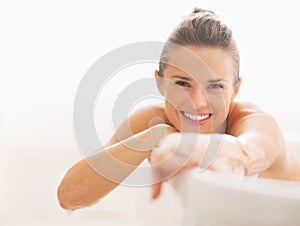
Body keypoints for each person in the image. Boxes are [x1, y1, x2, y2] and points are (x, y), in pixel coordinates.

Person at [57, 7, 300, 210]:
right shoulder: (155, 120)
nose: (198, 102)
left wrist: (181, 146)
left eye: (215, 86)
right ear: (160, 83)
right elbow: (69, 195)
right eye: (183, 84)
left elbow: (245, 153)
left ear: (236, 89)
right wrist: (156, 136)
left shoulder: (258, 123)